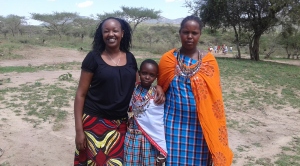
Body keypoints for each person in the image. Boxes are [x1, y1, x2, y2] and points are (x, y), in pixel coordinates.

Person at [73, 17, 165, 166]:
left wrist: (157, 87)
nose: (111, 34)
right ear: (101, 35)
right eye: (106, 31)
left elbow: (139, 85)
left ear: (122, 33)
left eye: (115, 30)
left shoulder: (130, 58)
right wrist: (79, 131)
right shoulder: (93, 58)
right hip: (94, 122)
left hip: (120, 125)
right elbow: (80, 94)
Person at [158, 15, 233, 166]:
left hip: (200, 127)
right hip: (172, 124)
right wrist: (158, 88)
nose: (189, 37)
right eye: (186, 32)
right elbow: (161, 86)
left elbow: (215, 98)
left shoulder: (209, 62)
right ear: (180, 33)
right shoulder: (168, 59)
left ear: (200, 35)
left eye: (194, 33)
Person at [124, 59, 167, 166]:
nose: (147, 77)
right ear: (139, 73)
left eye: (151, 75)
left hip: (148, 140)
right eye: (144, 73)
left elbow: (157, 124)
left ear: (156, 77)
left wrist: (159, 87)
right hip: (131, 137)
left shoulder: (156, 95)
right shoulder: (132, 90)